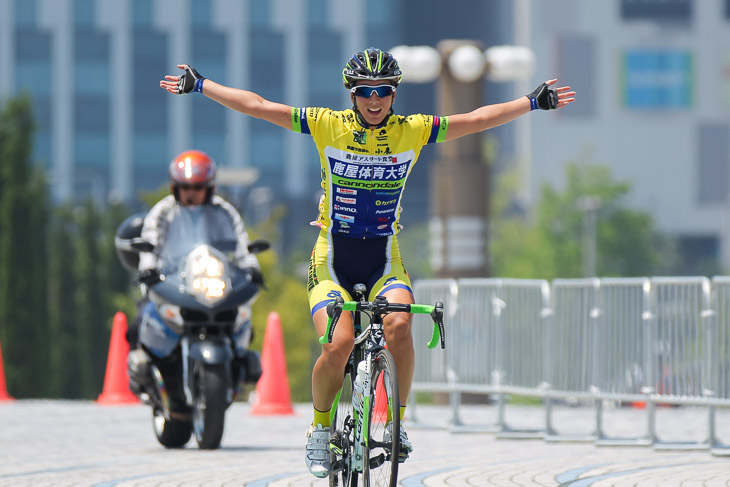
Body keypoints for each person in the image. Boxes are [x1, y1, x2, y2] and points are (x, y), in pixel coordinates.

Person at [159, 48, 575, 477]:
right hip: (333, 257)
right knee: (337, 345)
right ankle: (321, 429)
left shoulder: (412, 130)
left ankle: (396, 420)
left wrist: (531, 101)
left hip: (383, 256)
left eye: (383, 92)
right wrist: (202, 85)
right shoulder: (327, 125)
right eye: (364, 92)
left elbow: (476, 120)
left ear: (394, 94)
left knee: (400, 326)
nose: (374, 100)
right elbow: (261, 107)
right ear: (351, 94)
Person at [126, 149, 263, 347]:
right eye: (186, 187)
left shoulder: (224, 211)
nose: (191, 192)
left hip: (214, 282)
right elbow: (151, 241)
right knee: (138, 326)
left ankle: (239, 363)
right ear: (175, 187)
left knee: (244, 325)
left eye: (198, 187)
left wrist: (252, 267)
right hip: (171, 282)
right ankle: (141, 367)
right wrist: (148, 268)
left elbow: (241, 242)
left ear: (209, 188)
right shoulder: (163, 211)